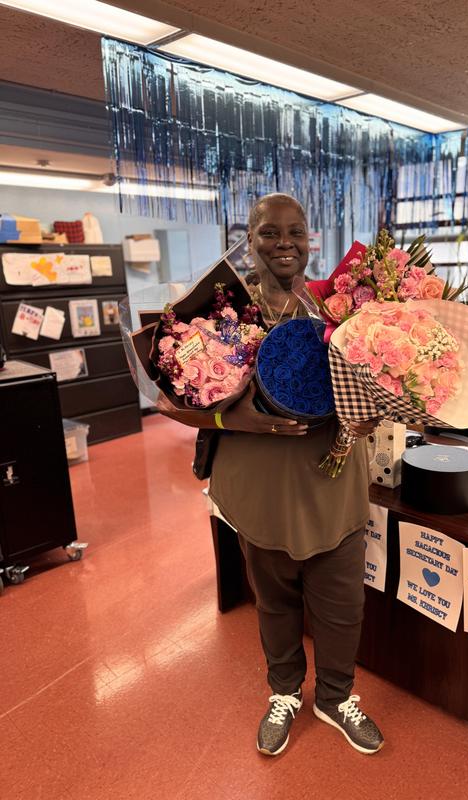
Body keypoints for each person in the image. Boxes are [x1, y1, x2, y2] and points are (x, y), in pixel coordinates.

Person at [158, 193, 384, 756]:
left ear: (311, 239)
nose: (285, 243)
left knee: (342, 606)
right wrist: (228, 416)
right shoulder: (224, 313)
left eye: (296, 232)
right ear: (250, 239)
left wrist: (378, 404)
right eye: (269, 233)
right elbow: (168, 401)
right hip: (260, 486)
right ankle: (283, 691)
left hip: (333, 482)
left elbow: (376, 380)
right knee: (275, 600)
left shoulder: (341, 308)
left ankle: (335, 697)